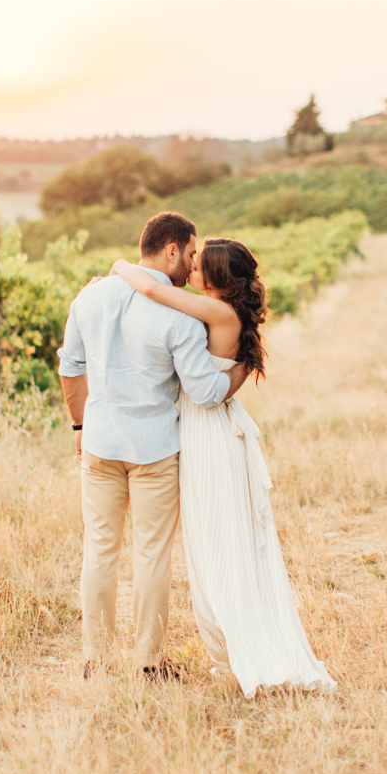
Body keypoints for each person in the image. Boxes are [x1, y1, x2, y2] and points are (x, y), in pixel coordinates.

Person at [110, 237, 336, 699]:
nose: (191, 265)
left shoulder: (217, 311)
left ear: (216, 277)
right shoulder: (223, 312)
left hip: (209, 435)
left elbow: (153, 292)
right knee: (218, 538)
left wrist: (118, 265)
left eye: (200, 262)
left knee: (218, 539)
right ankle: (231, 642)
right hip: (209, 428)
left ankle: (238, 642)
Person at [57, 212, 249, 678]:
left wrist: (81, 428)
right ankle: (146, 663)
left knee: (99, 550)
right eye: (188, 254)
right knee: (151, 554)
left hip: (100, 445)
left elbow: (70, 368)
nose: (190, 266)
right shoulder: (179, 314)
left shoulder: (90, 296)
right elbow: (204, 391)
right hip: (155, 452)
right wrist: (245, 367)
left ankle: (95, 660)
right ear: (169, 250)